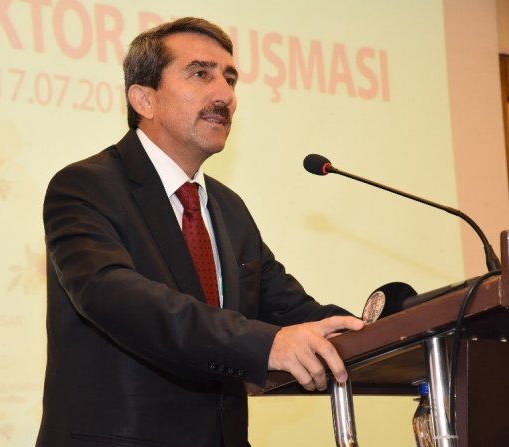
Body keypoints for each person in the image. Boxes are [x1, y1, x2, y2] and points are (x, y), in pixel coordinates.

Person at [36, 17, 363, 447]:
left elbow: (291, 312)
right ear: (144, 99)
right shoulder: (85, 187)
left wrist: (389, 326)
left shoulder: (228, 208)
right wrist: (265, 345)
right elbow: (115, 297)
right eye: (200, 74)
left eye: (230, 79)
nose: (225, 95)